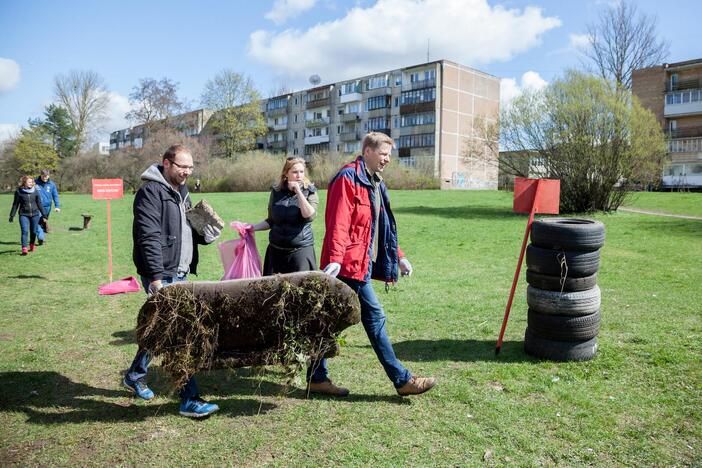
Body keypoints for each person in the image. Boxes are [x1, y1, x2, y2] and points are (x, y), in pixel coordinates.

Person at [320, 132, 436, 396]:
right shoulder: (347, 178)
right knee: (375, 318)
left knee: (328, 321)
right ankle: (402, 380)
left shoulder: (375, 182)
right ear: (368, 151)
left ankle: (316, 376)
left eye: (389, 156)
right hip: (348, 266)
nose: (387, 160)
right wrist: (336, 259)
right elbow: (338, 223)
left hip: (362, 264)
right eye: (384, 154)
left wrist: (399, 256)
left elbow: (382, 227)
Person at [124, 144, 222, 418]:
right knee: (180, 334)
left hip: (179, 271)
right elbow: (149, 236)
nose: (187, 172)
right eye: (182, 166)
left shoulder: (182, 191)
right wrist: (155, 278)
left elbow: (186, 228)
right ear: (166, 163)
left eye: (190, 167)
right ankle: (189, 400)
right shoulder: (150, 192)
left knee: (161, 327)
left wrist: (206, 231)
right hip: (161, 273)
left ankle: (135, 374)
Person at [248, 157, 347, 396]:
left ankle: (305, 356)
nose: (299, 175)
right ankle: (282, 351)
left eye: (302, 172)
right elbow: (271, 221)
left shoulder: (310, 191)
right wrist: (250, 227)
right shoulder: (276, 192)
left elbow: (309, 214)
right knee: (275, 303)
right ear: (286, 174)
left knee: (304, 305)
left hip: (300, 254)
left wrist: (299, 192)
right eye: (294, 172)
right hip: (276, 254)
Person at [9, 176, 48, 255]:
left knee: (33, 232)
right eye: (29, 182)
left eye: (32, 182)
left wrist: (44, 215)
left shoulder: (35, 191)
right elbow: (15, 204)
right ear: (24, 182)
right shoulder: (19, 192)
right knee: (25, 231)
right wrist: (12, 215)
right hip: (23, 215)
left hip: (35, 215)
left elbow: (39, 204)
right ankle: (24, 248)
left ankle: (32, 244)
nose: (31, 183)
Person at [34, 169, 60, 244]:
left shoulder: (52, 184)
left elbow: (55, 196)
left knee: (43, 221)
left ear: (49, 175)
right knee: (37, 221)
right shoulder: (35, 183)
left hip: (47, 207)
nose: (45, 178)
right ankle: (41, 238)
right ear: (41, 175)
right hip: (36, 206)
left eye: (47, 176)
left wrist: (57, 206)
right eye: (44, 176)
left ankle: (41, 235)